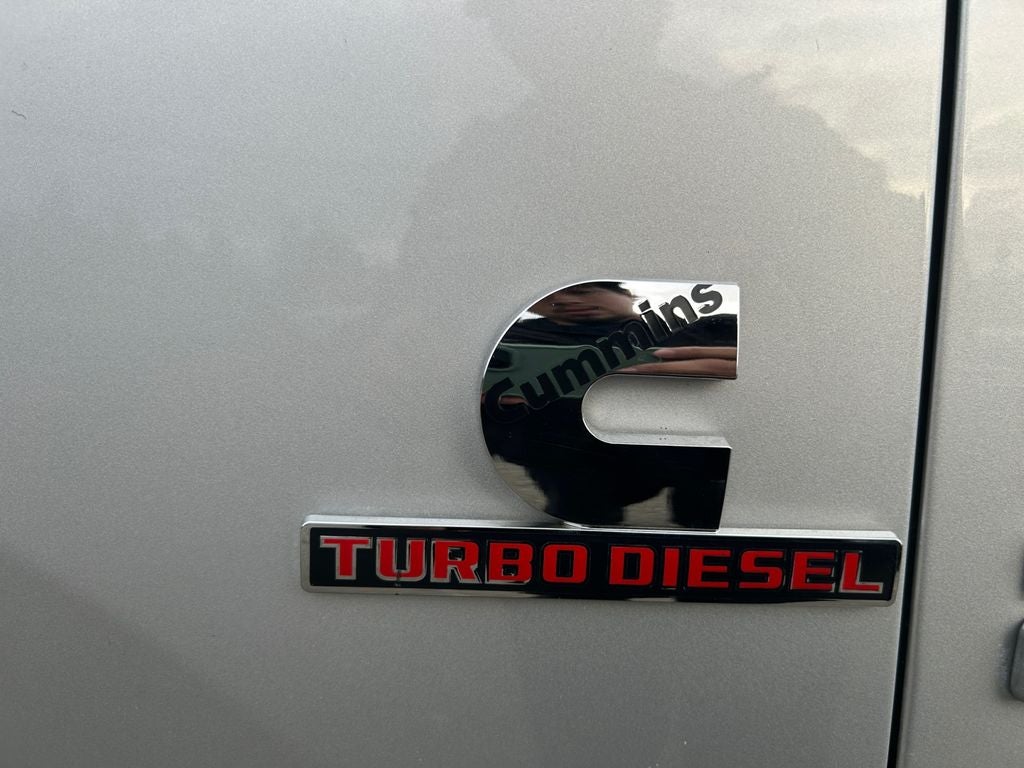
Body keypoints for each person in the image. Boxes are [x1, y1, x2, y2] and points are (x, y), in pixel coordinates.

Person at [482, 281, 735, 527]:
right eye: (549, 299)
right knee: (584, 520)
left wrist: (747, 375)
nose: (567, 301)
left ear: (627, 293)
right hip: (572, 470)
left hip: (685, 460)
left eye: (584, 290)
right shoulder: (508, 341)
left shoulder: (702, 332)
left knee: (701, 514)